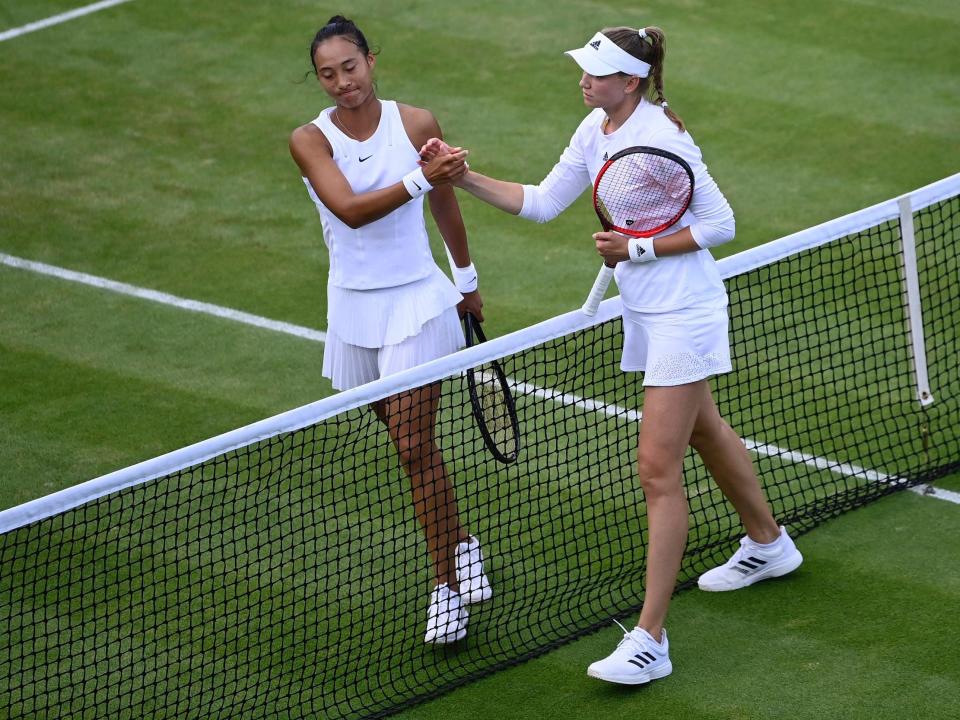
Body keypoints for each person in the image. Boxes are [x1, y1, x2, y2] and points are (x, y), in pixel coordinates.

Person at [419, 25, 803, 681]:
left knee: (657, 468)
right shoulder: (594, 130)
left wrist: (640, 248)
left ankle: (650, 640)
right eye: (585, 70)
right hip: (647, 311)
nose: (583, 79)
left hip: (685, 308)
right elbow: (540, 204)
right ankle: (769, 544)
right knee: (704, 430)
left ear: (630, 81)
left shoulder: (660, 140)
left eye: (596, 72)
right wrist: (460, 175)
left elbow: (721, 224)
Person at [289, 15, 492, 645]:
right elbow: (348, 212)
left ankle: (446, 590)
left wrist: (466, 279)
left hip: (418, 304)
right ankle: (461, 545)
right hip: (352, 312)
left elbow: (444, 202)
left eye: (350, 67)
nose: (342, 82)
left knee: (411, 446)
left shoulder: (418, 123)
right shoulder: (309, 140)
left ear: (371, 61)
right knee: (415, 449)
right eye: (328, 73)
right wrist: (419, 177)